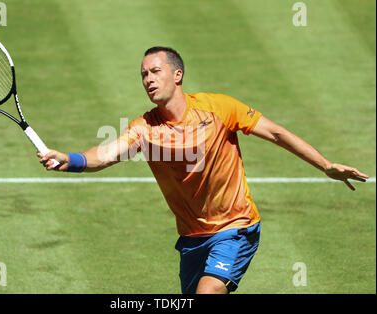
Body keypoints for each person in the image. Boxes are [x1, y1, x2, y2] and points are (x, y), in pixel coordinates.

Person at [38, 46, 369, 294]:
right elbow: (106, 154)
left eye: (155, 71)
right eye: (143, 75)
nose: (148, 80)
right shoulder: (144, 128)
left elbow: (277, 133)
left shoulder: (219, 109)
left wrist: (325, 165)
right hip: (192, 237)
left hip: (235, 227)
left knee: (208, 292)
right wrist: (71, 160)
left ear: (177, 75)